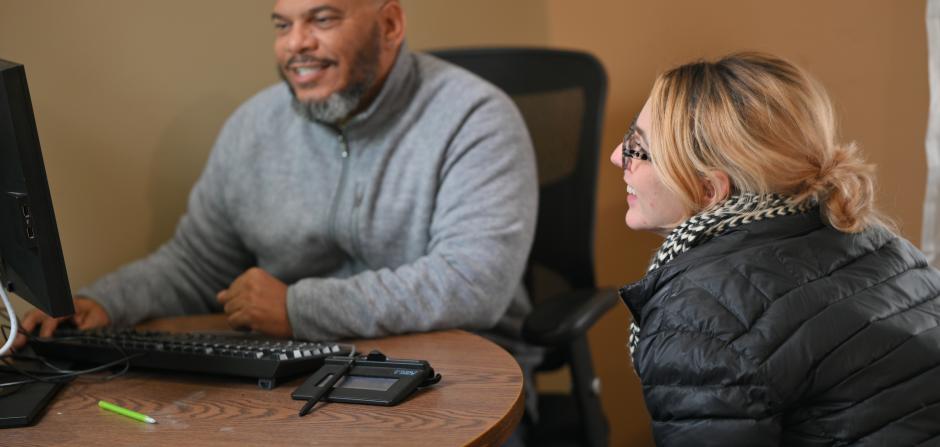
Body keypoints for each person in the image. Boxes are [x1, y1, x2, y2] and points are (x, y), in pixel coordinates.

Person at [14, 0, 540, 399]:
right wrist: (105, 301)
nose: (296, 44)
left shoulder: (475, 117)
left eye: (323, 19)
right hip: (307, 382)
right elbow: (197, 264)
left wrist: (297, 308)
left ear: (390, 25)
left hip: (461, 382)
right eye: (283, 25)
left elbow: (475, 282)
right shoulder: (253, 127)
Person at [612, 52, 940, 446]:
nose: (618, 157)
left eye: (638, 149)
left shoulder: (700, 315)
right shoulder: (875, 239)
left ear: (708, 190)